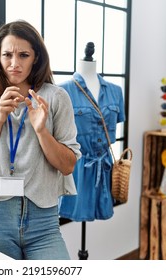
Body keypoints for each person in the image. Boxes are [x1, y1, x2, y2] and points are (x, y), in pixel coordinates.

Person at [0, 20, 81, 260]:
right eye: (7, 55)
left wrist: (42, 131)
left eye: (23, 55)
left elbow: (68, 165)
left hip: (43, 220)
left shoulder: (57, 98)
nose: (14, 64)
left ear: (35, 57)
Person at [58, 42, 126, 222]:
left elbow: (116, 124)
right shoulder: (62, 91)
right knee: (77, 212)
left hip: (104, 168)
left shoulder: (115, 91)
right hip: (76, 170)